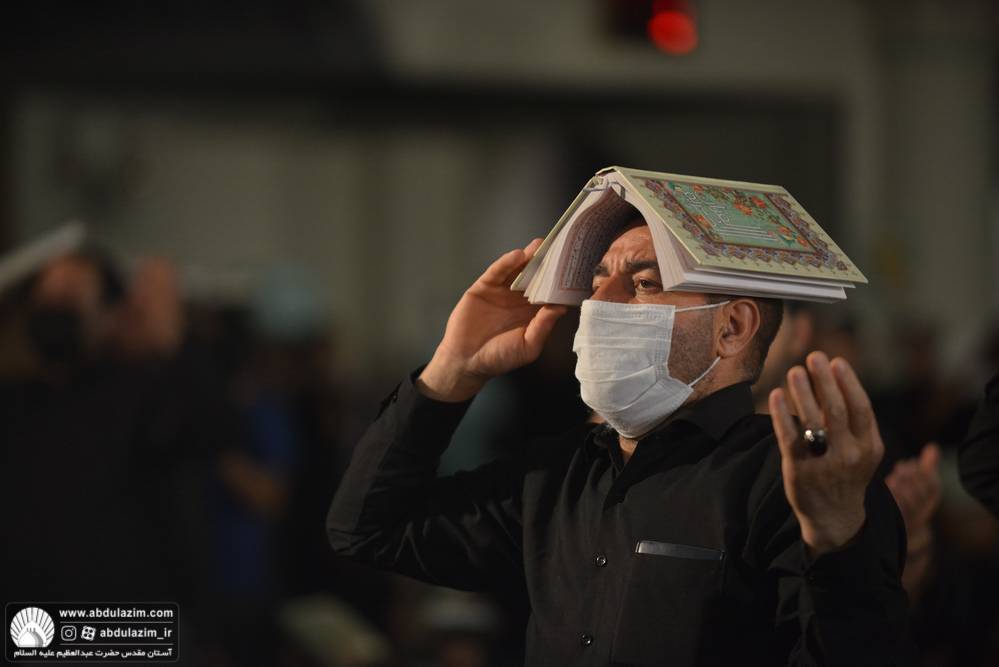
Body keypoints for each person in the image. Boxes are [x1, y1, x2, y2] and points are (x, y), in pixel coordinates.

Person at [327, 220, 914, 665]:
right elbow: (367, 528)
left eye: (643, 284)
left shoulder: (792, 483)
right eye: (596, 280)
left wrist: (838, 536)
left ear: (731, 328)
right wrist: (453, 370)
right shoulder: (559, 473)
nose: (598, 303)